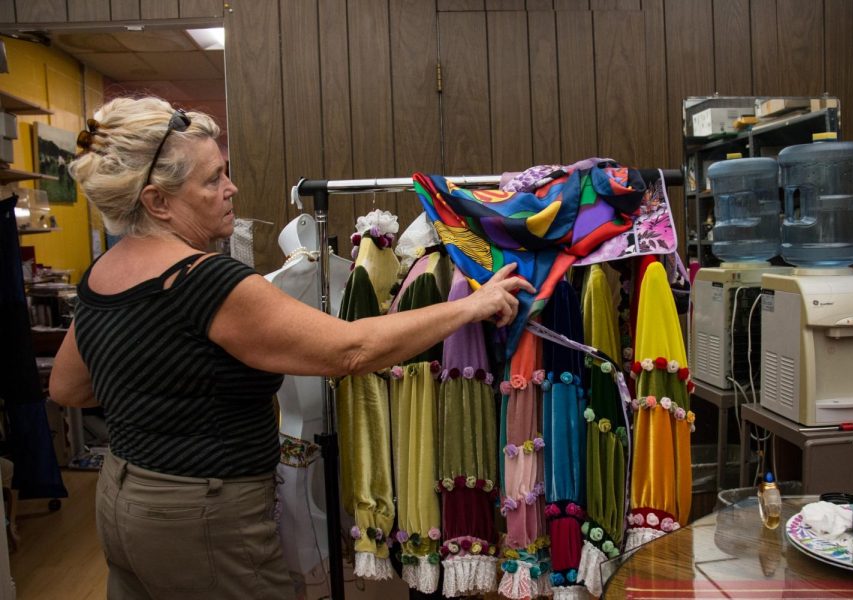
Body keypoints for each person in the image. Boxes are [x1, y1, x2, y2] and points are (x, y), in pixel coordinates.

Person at [48, 96, 533, 600]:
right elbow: (350, 351)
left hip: (123, 497)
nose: (231, 188)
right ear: (157, 201)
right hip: (202, 513)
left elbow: (69, 387)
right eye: (212, 179)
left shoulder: (104, 272)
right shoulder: (206, 282)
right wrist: (470, 307)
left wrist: (161, 393)